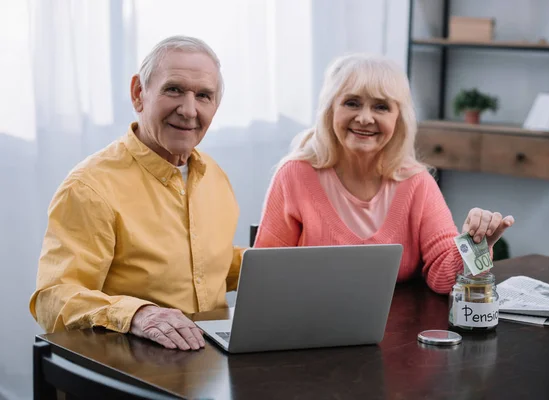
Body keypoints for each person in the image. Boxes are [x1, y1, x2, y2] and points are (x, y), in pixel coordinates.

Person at [30, 36, 245, 350]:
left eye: (203, 96)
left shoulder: (214, 175)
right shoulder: (89, 187)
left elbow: (203, 268)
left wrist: (270, 266)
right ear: (138, 94)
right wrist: (137, 315)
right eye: (173, 89)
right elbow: (54, 297)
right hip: (135, 369)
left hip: (211, 362)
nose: (188, 110)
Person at [253, 53, 514, 294]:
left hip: (397, 336)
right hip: (306, 331)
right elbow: (264, 279)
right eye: (352, 103)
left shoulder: (416, 183)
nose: (365, 118)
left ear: (398, 118)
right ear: (331, 110)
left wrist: (479, 246)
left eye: (381, 107)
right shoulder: (295, 175)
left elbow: (445, 279)